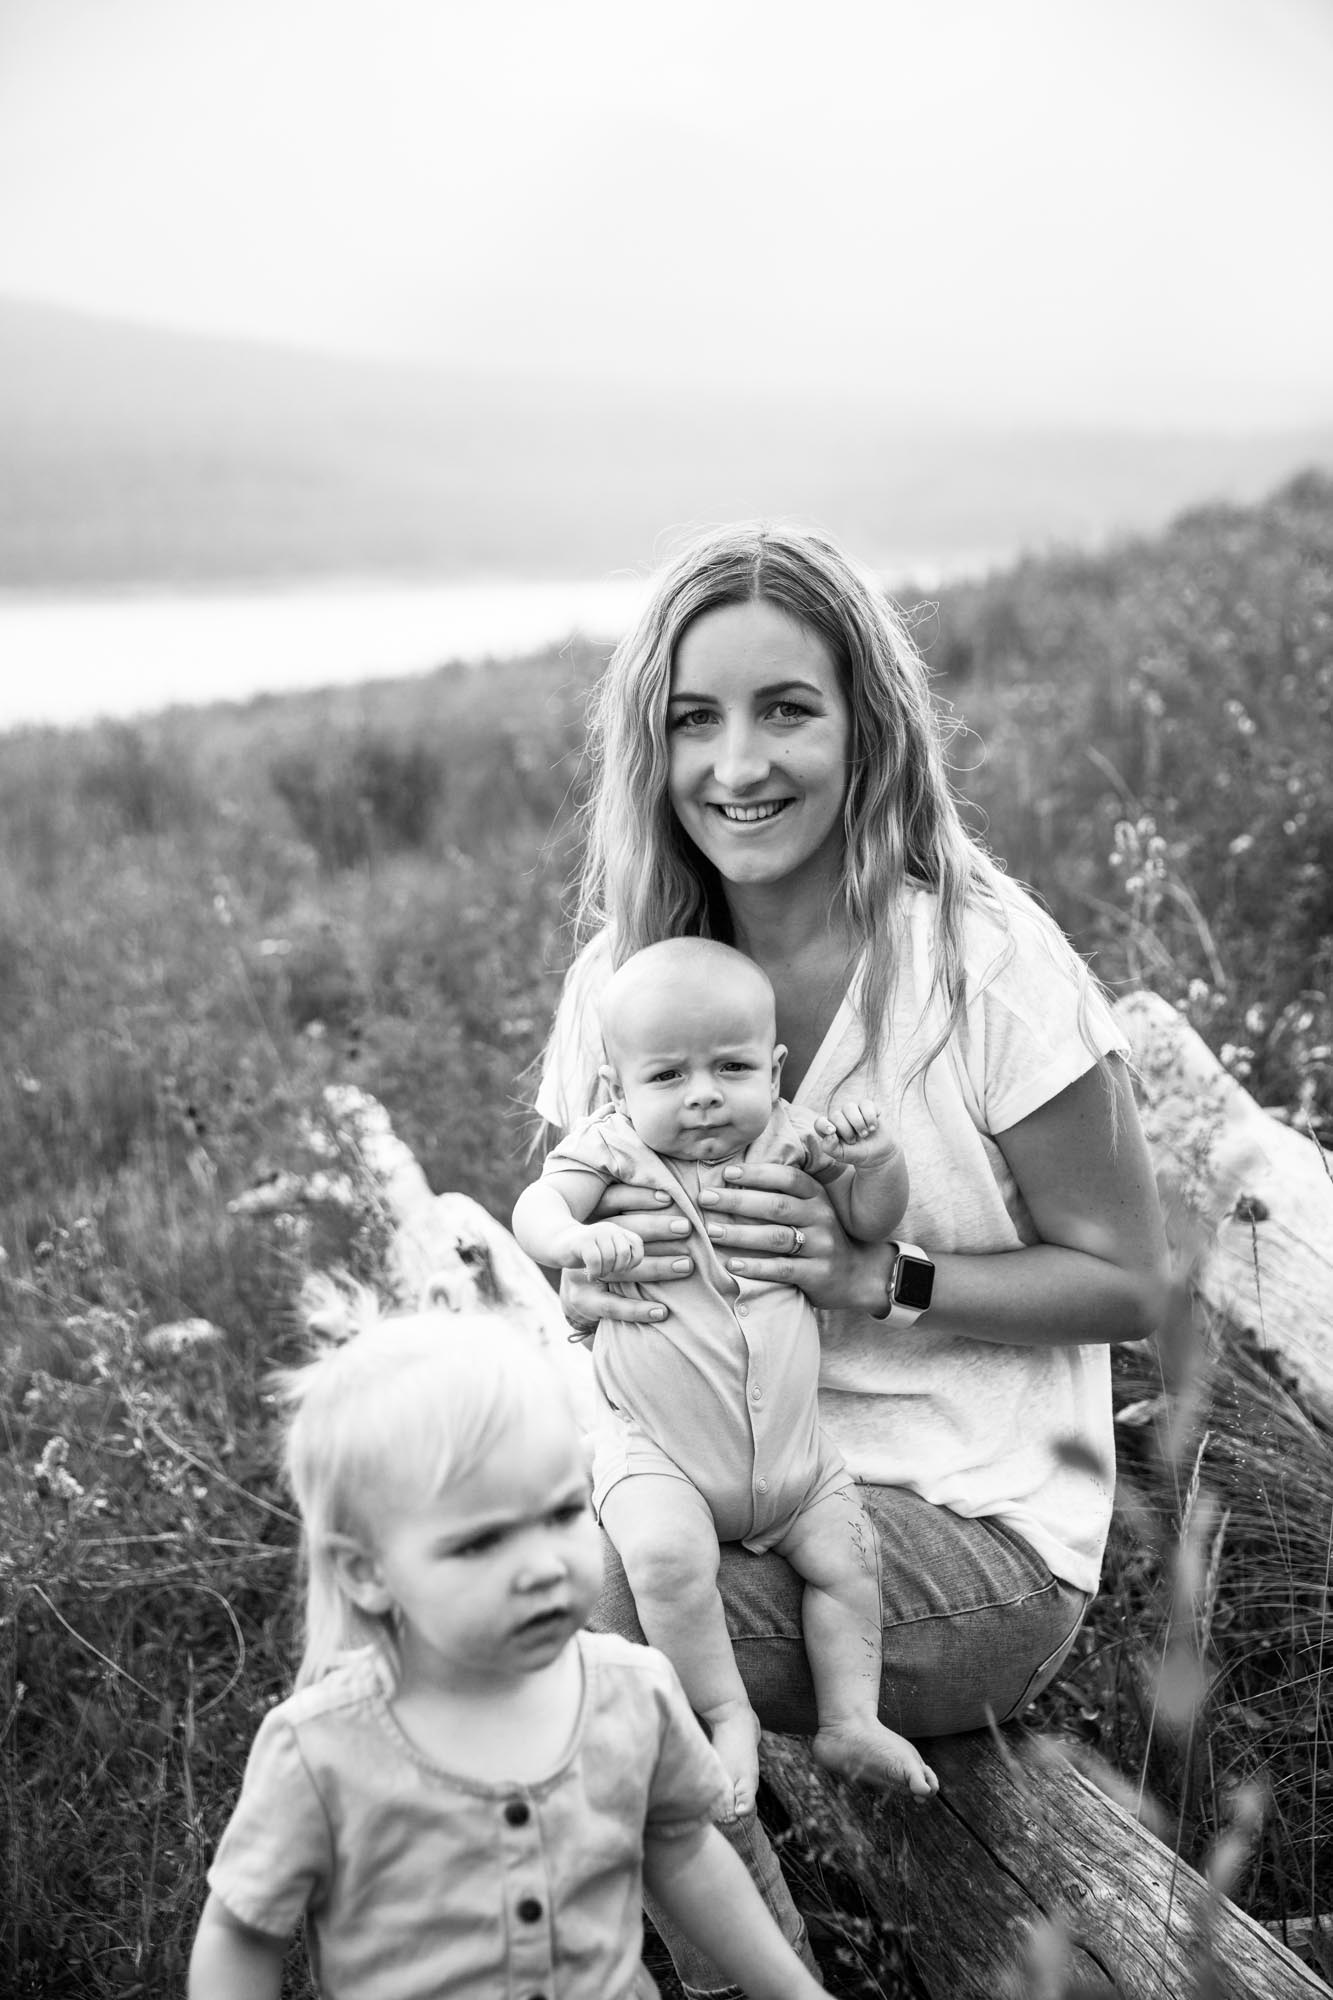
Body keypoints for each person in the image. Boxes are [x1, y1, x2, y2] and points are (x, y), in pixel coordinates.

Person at [532, 520, 1171, 1998]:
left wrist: (882, 1280)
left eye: (785, 709)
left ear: (866, 725)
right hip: (704, 1470)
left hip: (969, 1528)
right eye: (694, 718)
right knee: (485, 1571)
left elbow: (1132, 1283)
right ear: (652, 748)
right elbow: (570, 1222)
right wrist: (582, 1278)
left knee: (580, 1616)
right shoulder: (623, 982)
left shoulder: (978, 963)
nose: (737, 763)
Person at [187, 1292, 826, 2000]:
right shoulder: (320, 1751)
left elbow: (682, 1852)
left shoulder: (632, 1690)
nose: (545, 1565)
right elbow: (241, 1933)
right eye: (482, 1540)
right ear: (367, 1574)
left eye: (560, 1513)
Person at [513, 936, 937, 1817]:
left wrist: (876, 1167)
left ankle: (849, 1717)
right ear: (615, 1090)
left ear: (775, 1067)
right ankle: (722, 1710)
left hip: (795, 1464)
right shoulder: (613, 1150)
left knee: (851, 1563)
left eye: (731, 1066)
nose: (703, 1093)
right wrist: (570, 1243)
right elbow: (538, 1204)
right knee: (665, 1563)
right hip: (661, 1452)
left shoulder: (789, 1135)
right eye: (666, 1077)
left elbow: (867, 1224)